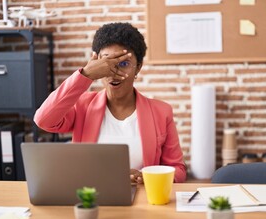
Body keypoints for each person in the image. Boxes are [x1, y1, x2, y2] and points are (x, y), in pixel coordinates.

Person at [34, 22, 187, 183]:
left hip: (142, 199)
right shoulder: (82, 106)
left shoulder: (161, 112)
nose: (114, 73)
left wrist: (148, 177)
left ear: (138, 68)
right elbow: (43, 120)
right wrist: (86, 75)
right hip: (92, 196)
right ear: (97, 64)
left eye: (123, 64)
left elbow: (179, 170)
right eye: (107, 64)